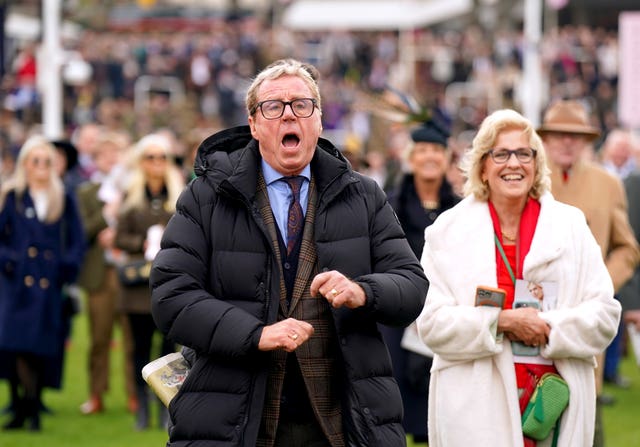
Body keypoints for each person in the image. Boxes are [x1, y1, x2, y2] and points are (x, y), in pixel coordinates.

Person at [149, 58, 428, 446]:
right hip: (234, 418)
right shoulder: (207, 196)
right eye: (273, 106)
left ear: (317, 120)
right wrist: (254, 334)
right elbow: (171, 296)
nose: (288, 115)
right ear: (253, 124)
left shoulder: (364, 195)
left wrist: (363, 291)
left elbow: (412, 285)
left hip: (344, 421)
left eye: (302, 105)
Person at [416, 109, 621, 446]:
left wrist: (550, 326)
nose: (514, 163)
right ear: (483, 166)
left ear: (537, 164)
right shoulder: (448, 232)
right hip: (475, 413)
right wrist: (502, 322)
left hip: (552, 410)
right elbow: (432, 325)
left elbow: (604, 315)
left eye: (524, 153)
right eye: (501, 154)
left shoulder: (570, 227)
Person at [536, 100, 639, 444]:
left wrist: (603, 284)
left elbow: (627, 247)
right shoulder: (529, 179)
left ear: (587, 141)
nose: (567, 142)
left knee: (584, 420)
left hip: (584, 319)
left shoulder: (608, 184)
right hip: (533, 314)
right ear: (545, 139)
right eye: (559, 135)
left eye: (575, 136)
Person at [380, 119, 460, 445]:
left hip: (447, 320)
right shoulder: (388, 204)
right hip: (397, 322)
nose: (429, 157)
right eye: (422, 150)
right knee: (395, 415)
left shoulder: (460, 210)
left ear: (447, 158)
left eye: (437, 150)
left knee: (442, 419)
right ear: (410, 158)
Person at [0, 135, 85, 431]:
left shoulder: (62, 197)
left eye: (46, 161)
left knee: (38, 347)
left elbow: (77, 239)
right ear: (25, 163)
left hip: (47, 284)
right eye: (35, 161)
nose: (40, 167)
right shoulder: (11, 195)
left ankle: (33, 407)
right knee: (13, 345)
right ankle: (19, 406)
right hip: (15, 284)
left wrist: (67, 267)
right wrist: (9, 259)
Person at [114, 132, 184, 430]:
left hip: (168, 288)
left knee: (168, 352)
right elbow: (119, 236)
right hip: (137, 289)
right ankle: (141, 409)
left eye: (162, 157)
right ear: (141, 162)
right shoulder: (131, 198)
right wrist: (142, 241)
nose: (156, 163)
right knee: (139, 350)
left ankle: (165, 407)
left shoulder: (179, 196)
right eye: (150, 157)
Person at [75, 131, 138, 415]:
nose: (111, 160)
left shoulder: (133, 189)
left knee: (131, 340)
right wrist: (104, 219)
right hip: (99, 275)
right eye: (105, 155)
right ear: (96, 159)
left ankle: (135, 395)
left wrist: (118, 235)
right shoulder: (86, 193)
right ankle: (96, 394)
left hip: (128, 273)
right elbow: (81, 231)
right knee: (99, 339)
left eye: (116, 154)